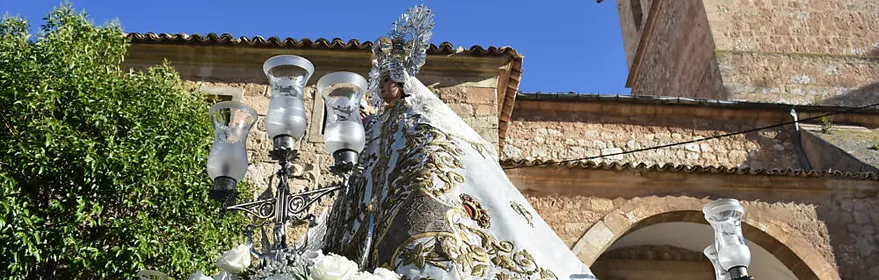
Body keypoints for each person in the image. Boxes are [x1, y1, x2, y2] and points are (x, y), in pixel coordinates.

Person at [322, 5, 597, 280]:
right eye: (379, 83)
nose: (382, 88)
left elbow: (432, 141)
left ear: (403, 81)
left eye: (388, 81)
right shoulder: (379, 120)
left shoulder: (419, 111)